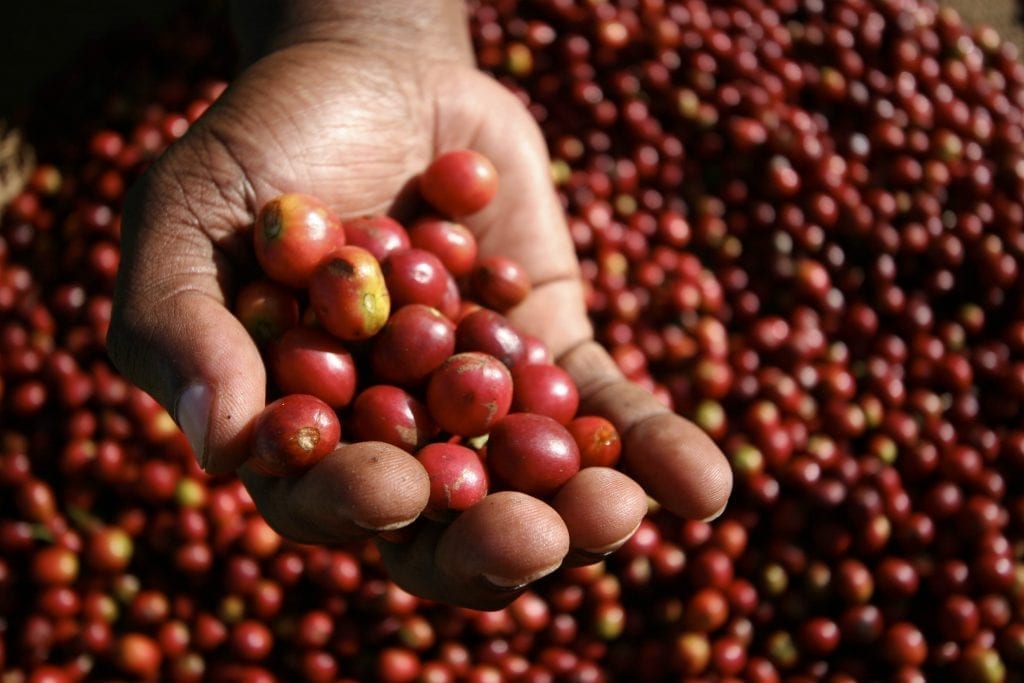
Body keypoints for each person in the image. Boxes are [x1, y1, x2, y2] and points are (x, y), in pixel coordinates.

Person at [107, 0, 732, 609]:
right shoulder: (353, 304)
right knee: (386, 488)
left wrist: (383, 33)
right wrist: (363, 41)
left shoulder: (448, 339)